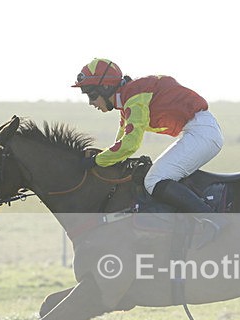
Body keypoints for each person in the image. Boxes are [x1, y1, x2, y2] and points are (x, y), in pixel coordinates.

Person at [72, 58, 222, 214]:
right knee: (157, 175)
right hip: (199, 131)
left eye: (92, 95)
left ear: (105, 87)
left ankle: (210, 218)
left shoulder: (134, 97)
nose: (91, 102)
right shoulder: (127, 100)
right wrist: (101, 158)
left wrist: (95, 161)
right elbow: (120, 141)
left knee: (154, 180)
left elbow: (130, 144)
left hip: (202, 133)